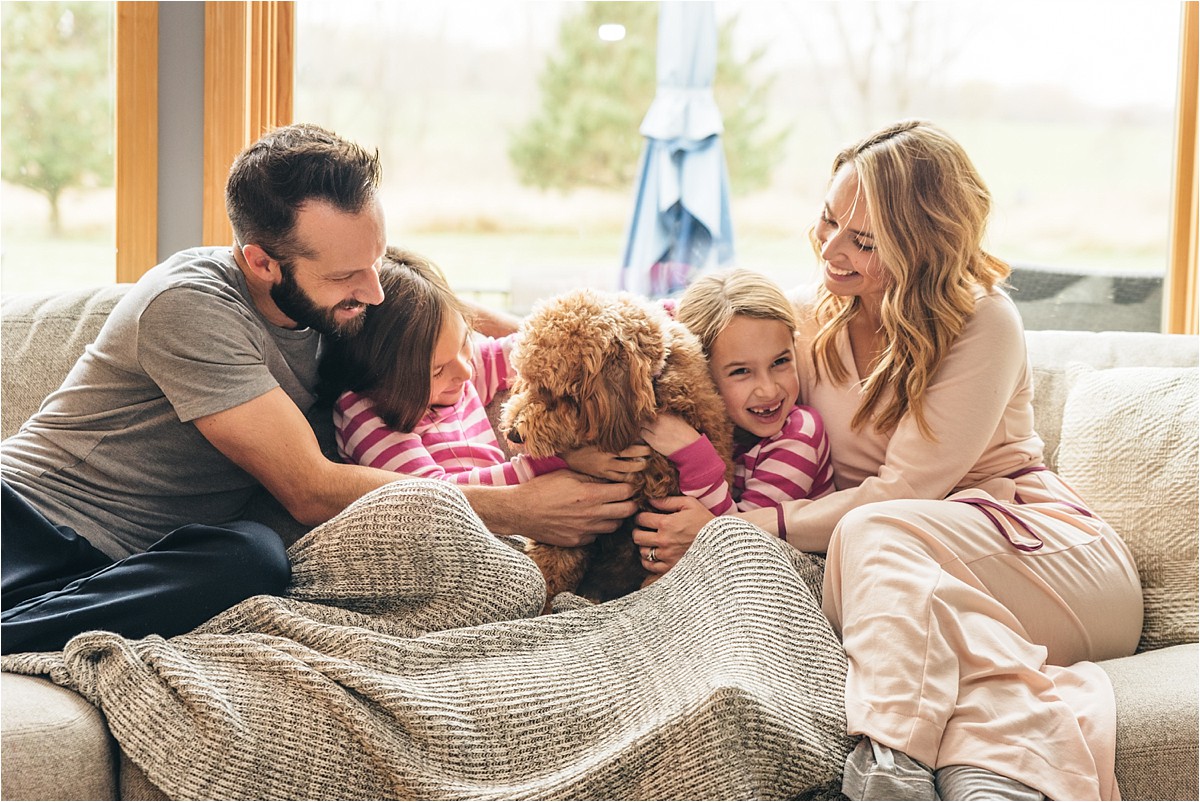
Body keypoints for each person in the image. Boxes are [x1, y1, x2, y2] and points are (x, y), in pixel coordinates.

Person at [630, 120, 1142, 800]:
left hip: (1048, 555)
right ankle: (987, 784)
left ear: (919, 244)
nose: (831, 249)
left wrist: (728, 528)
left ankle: (887, 771)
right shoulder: (816, 318)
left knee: (873, 530)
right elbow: (674, 327)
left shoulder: (983, 322)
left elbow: (903, 491)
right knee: (945, 645)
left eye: (863, 240)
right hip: (907, 577)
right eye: (827, 221)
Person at [1, 123, 638, 655]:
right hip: (27, 522)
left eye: (376, 260)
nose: (374, 291)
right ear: (260, 262)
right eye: (345, 276)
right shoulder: (187, 307)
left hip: (130, 563)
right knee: (256, 559)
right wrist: (526, 507)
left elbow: (463, 320)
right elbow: (309, 490)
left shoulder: (342, 295)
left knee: (249, 558)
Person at [323, 247, 647, 485]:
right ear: (383, 376)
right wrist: (558, 463)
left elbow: (539, 352)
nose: (466, 372)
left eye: (465, 343)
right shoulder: (362, 415)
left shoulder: (460, 371)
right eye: (437, 370)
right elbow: (437, 496)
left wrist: (644, 323)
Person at [638, 268, 834, 550]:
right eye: (741, 371)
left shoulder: (800, 434)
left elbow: (741, 542)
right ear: (701, 373)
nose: (768, 390)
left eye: (780, 362)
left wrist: (695, 455)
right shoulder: (699, 416)